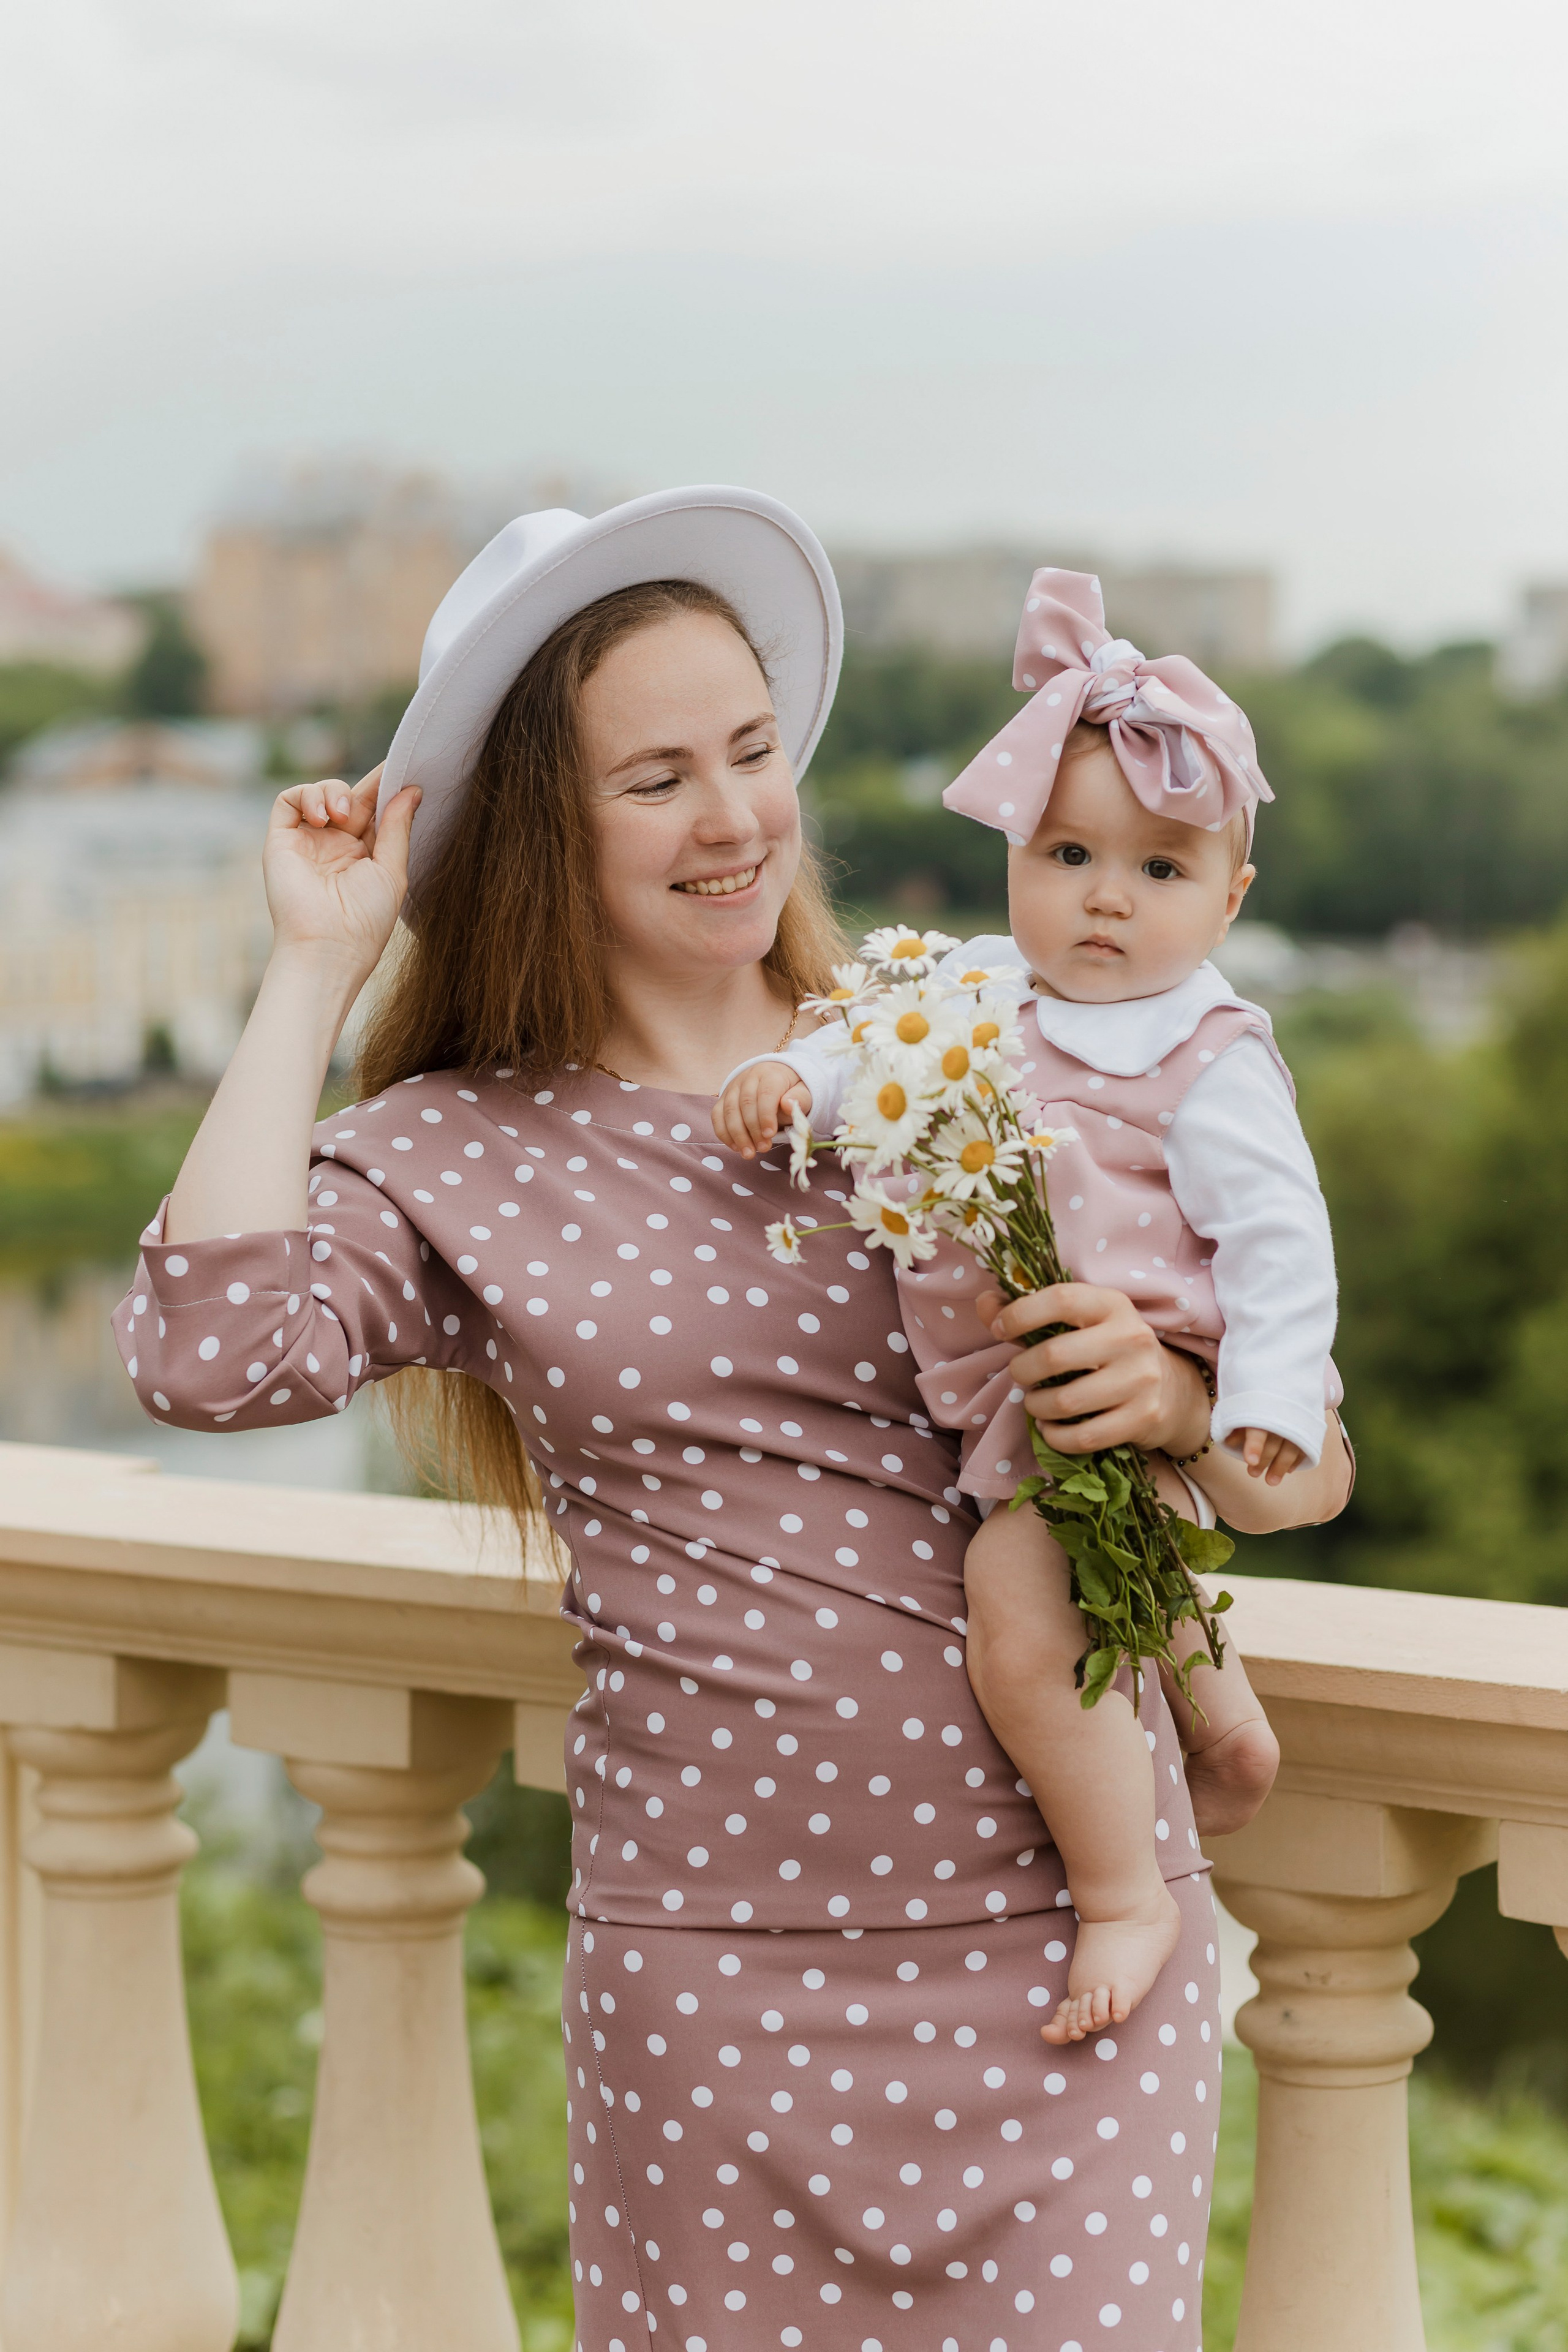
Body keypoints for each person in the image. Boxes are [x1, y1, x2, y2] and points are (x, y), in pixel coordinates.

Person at [113, 503, 1308, 2351]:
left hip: (1070, 1944)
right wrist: (311, 965)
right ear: (539, 825)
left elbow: (1287, 1453)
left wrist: (1181, 1402)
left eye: (752, 751)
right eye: (656, 777)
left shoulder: (950, 1030)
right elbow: (208, 1356)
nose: (736, 816)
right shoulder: (461, 1149)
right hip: (714, 1974)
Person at [714, 567, 1354, 2048]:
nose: (1104, 899)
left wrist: (1252, 1401)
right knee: (1114, 1561)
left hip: (1136, 1366)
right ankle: (1223, 1725)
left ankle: (1120, 1887)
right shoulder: (984, 987)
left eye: (1158, 870)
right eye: (1068, 852)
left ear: (1229, 896)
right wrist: (791, 1083)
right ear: (1014, 850)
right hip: (1019, 1386)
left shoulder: (1205, 1053)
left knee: (1018, 1598)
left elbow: (1277, 1239)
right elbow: (880, 1043)